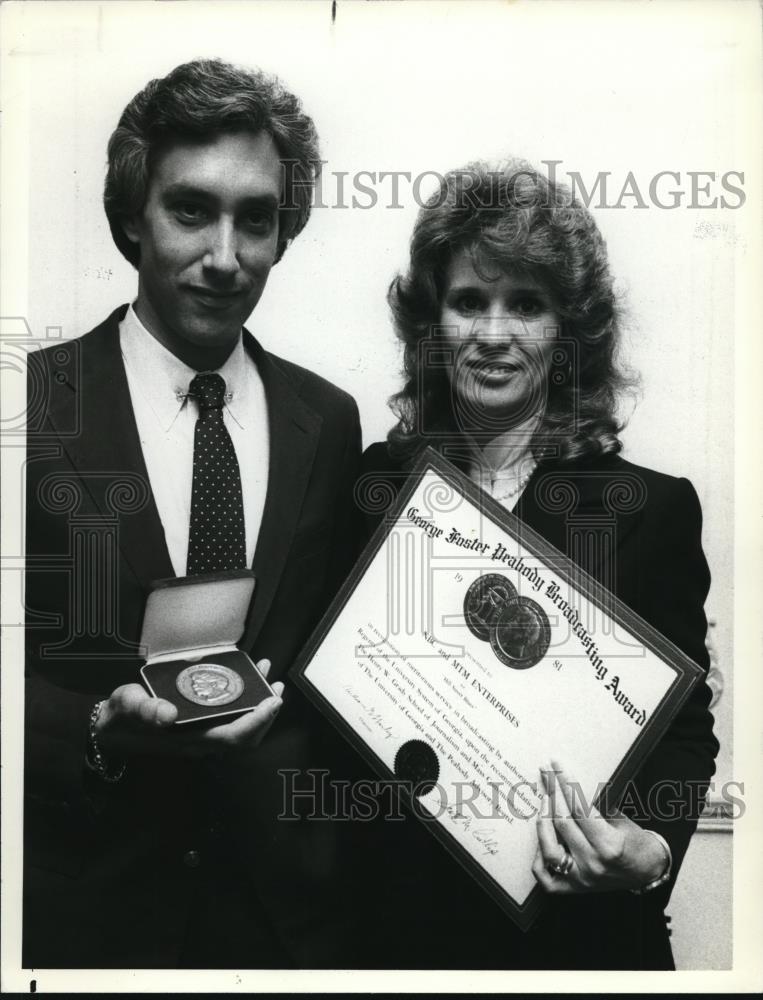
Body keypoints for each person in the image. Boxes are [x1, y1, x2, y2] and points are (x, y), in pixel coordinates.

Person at [23, 58, 361, 968]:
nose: (225, 256)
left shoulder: (326, 422)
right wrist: (96, 732)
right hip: (81, 924)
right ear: (132, 216)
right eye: (190, 209)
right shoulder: (32, 408)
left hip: (277, 930)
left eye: (256, 219)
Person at [353, 161, 719, 969]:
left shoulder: (649, 511)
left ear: (569, 332)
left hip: (576, 941)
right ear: (430, 322)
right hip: (394, 935)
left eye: (526, 304)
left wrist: (650, 851)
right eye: (467, 301)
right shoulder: (371, 489)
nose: (492, 333)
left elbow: (683, 732)